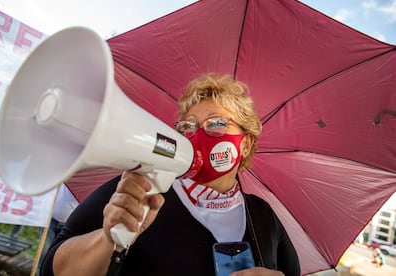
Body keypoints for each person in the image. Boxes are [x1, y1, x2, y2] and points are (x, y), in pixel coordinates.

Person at [40, 73, 300, 275]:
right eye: (188, 126)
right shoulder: (141, 189)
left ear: (245, 144)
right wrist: (110, 238)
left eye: (217, 123)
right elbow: (52, 268)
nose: (197, 134)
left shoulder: (263, 216)